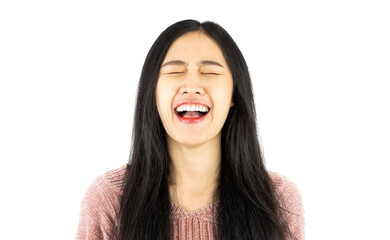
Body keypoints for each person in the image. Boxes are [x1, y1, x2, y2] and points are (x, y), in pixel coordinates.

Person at [76, 19, 305, 240]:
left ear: (234, 93)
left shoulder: (278, 200)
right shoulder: (109, 199)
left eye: (210, 72)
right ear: (153, 92)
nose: (192, 87)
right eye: (175, 71)